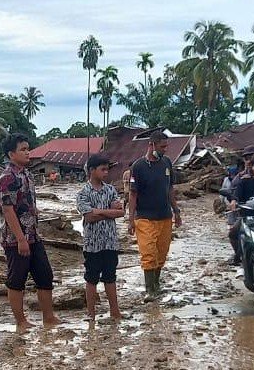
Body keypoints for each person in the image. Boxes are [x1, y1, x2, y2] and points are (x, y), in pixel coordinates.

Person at [0, 133, 60, 331]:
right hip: (15, 238)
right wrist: (21, 238)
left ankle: (48, 317)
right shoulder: (7, 178)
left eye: (27, 148)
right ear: (11, 154)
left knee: (45, 275)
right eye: (23, 149)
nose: (27, 152)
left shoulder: (27, 175)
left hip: (33, 235)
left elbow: (26, 203)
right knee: (17, 280)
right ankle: (21, 322)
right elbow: (7, 210)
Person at [127, 131, 182, 299]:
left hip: (165, 216)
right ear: (151, 145)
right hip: (144, 217)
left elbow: (170, 189)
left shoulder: (166, 163)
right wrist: (131, 220)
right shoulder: (138, 166)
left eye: (166, 146)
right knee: (149, 253)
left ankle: (156, 285)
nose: (165, 150)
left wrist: (176, 211)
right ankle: (149, 289)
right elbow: (133, 194)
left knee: (161, 253)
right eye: (162, 146)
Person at [76, 153, 125, 320]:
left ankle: (115, 311)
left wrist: (98, 211)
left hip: (110, 242)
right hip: (92, 244)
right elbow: (88, 217)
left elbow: (120, 212)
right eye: (103, 169)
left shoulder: (110, 190)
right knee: (91, 279)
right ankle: (91, 313)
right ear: (92, 170)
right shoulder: (83, 193)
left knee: (110, 277)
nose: (106, 173)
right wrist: (109, 212)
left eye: (107, 169)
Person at [226, 146, 254, 265]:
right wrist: (233, 203)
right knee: (233, 233)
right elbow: (232, 196)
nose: (249, 161)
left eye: (252, 158)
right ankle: (238, 254)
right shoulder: (239, 179)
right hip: (246, 215)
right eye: (246, 158)